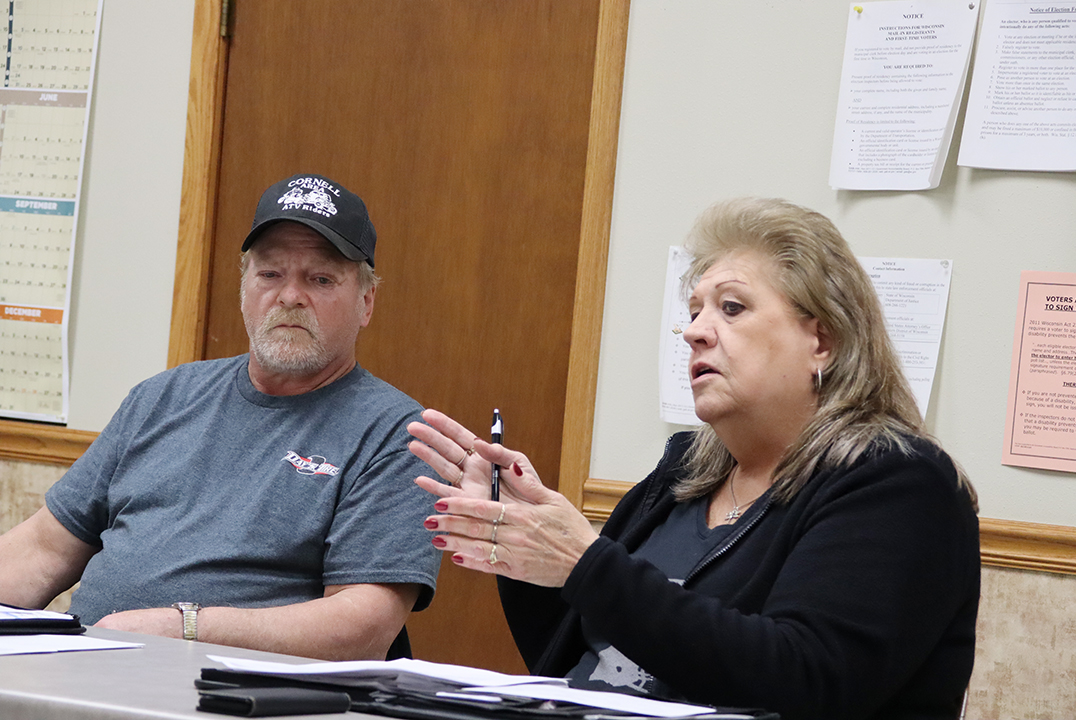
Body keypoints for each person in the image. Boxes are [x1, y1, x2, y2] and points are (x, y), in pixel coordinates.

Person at [406, 198, 981, 720]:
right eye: (695, 310)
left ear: (822, 343)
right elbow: (586, 666)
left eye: (731, 308)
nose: (695, 333)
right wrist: (519, 545)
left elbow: (806, 680)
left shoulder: (900, 484)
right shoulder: (685, 471)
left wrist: (585, 563)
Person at [0, 173, 440, 661]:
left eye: (320, 279)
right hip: (83, 675)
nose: (290, 296)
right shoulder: (163, 397)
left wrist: (187, 626)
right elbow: (42, 550)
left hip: (238, 695)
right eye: (270, 274)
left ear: (366, 302)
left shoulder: (401, 436)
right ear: (245, 286)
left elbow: (361, 627)